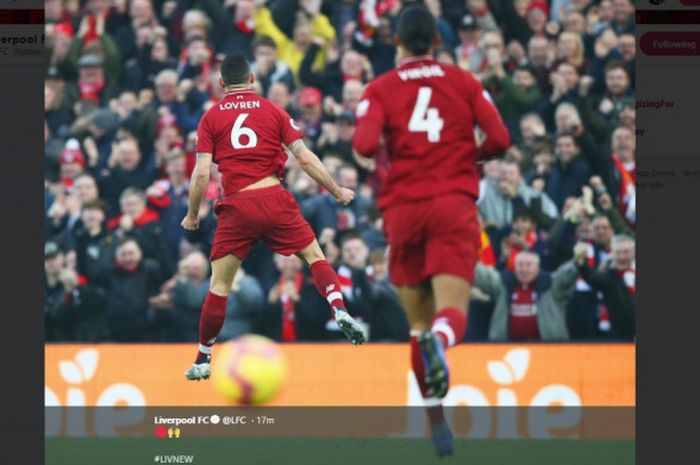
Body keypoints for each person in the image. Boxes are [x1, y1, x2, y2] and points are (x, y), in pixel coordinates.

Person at [351, 5, 510, 457]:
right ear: (437, 42)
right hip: (451, 206)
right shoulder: (464, 82)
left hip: (403, 210)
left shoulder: (380, 88)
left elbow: (363, 146)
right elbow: (500, 139)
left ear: (396, 42)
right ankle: (443, 344)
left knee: (418, 326)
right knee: (448, 315)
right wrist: (466, 156)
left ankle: (437, 423)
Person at [181, 53, 365, 381]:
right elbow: (304, 158)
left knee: (220, 284)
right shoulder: (273, 110)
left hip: (237, 206)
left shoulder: (210, 117)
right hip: (274, 197)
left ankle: (203, 357)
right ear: (252, 79)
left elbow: (200, 174)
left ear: (222, 84)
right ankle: (339, 305)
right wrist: (337, 191)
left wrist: (193, 215)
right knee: (314, 257)